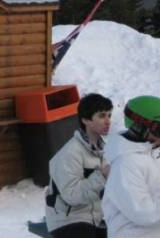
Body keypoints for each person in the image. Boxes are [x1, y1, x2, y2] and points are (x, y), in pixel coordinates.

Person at [45, 93, 113, 237]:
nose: (108, 121)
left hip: (94, 219)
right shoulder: (70, 153)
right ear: (85, 120)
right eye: (102, 116)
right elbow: (72, 195)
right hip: (68, 221)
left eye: (109, 115)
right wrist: (102, 176)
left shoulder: (103, 151)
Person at [102, 95, 160, 238]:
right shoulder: (125, 164)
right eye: (159, 129)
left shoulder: (149, 153)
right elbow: (145, 214)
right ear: (139, 127)